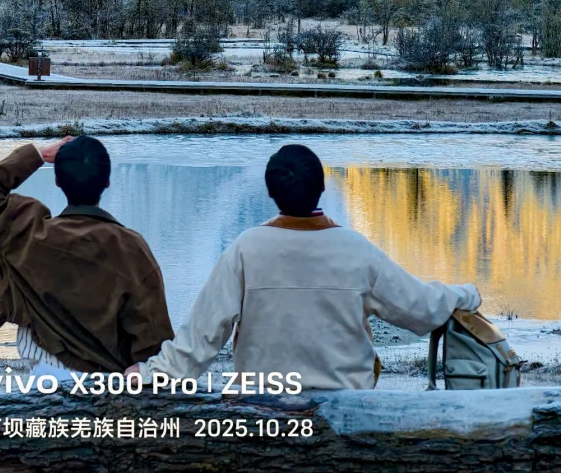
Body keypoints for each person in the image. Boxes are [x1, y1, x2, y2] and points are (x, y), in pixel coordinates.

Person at [136, 143, 480, 391]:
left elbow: (201, 339)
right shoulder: (356, 250)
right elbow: (420, 308)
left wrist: (149, 374)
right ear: (321, 187)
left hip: (261, 412)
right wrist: (466, 294)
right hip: (347, 413)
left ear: (272, 193)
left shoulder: (246, 249)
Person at [0, 135, 173, 376]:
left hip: (43, 378)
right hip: (112, 383)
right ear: (107, 182)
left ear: (57, 181)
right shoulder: (132, 248)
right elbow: (152, 332)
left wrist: (39, 155)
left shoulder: (30, 236)